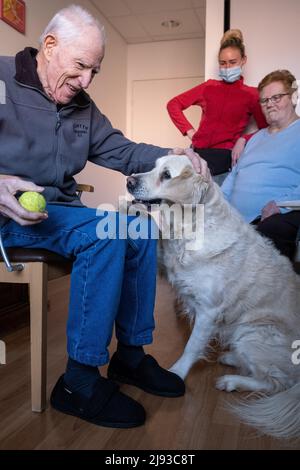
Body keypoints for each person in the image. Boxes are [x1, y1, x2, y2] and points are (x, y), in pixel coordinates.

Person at [0, 5, 206, 429]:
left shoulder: (82, 107)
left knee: (138, 226)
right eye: (80, 67)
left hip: (58, 214)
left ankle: (129, 356)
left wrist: (174, 154)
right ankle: (78, 379)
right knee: (108, 232)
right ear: (50, 46)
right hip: (6, 214)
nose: (86, 81)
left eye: (95, 70)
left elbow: (124, 150)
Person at [167, 29, 267, 184]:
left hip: (224, 164)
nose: (227, 67)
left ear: (243, 60)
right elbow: (173, 104)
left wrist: (243, 139)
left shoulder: (252, 94)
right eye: (223, 63)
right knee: (189, 207)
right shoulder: (209, 87)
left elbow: (265, 129)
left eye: (233, 62)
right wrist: (190, 131)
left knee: (215, 207)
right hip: (196, 158)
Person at [222, 69, 300, 261]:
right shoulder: (255, 139)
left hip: (276, 216)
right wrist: (217, 203)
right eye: (265, 100)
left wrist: (281, 206)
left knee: (272, 231)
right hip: (236, 220)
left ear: (293, 97)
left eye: (277, 97)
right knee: (190, 221)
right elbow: (233, 176)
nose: (270, 104)